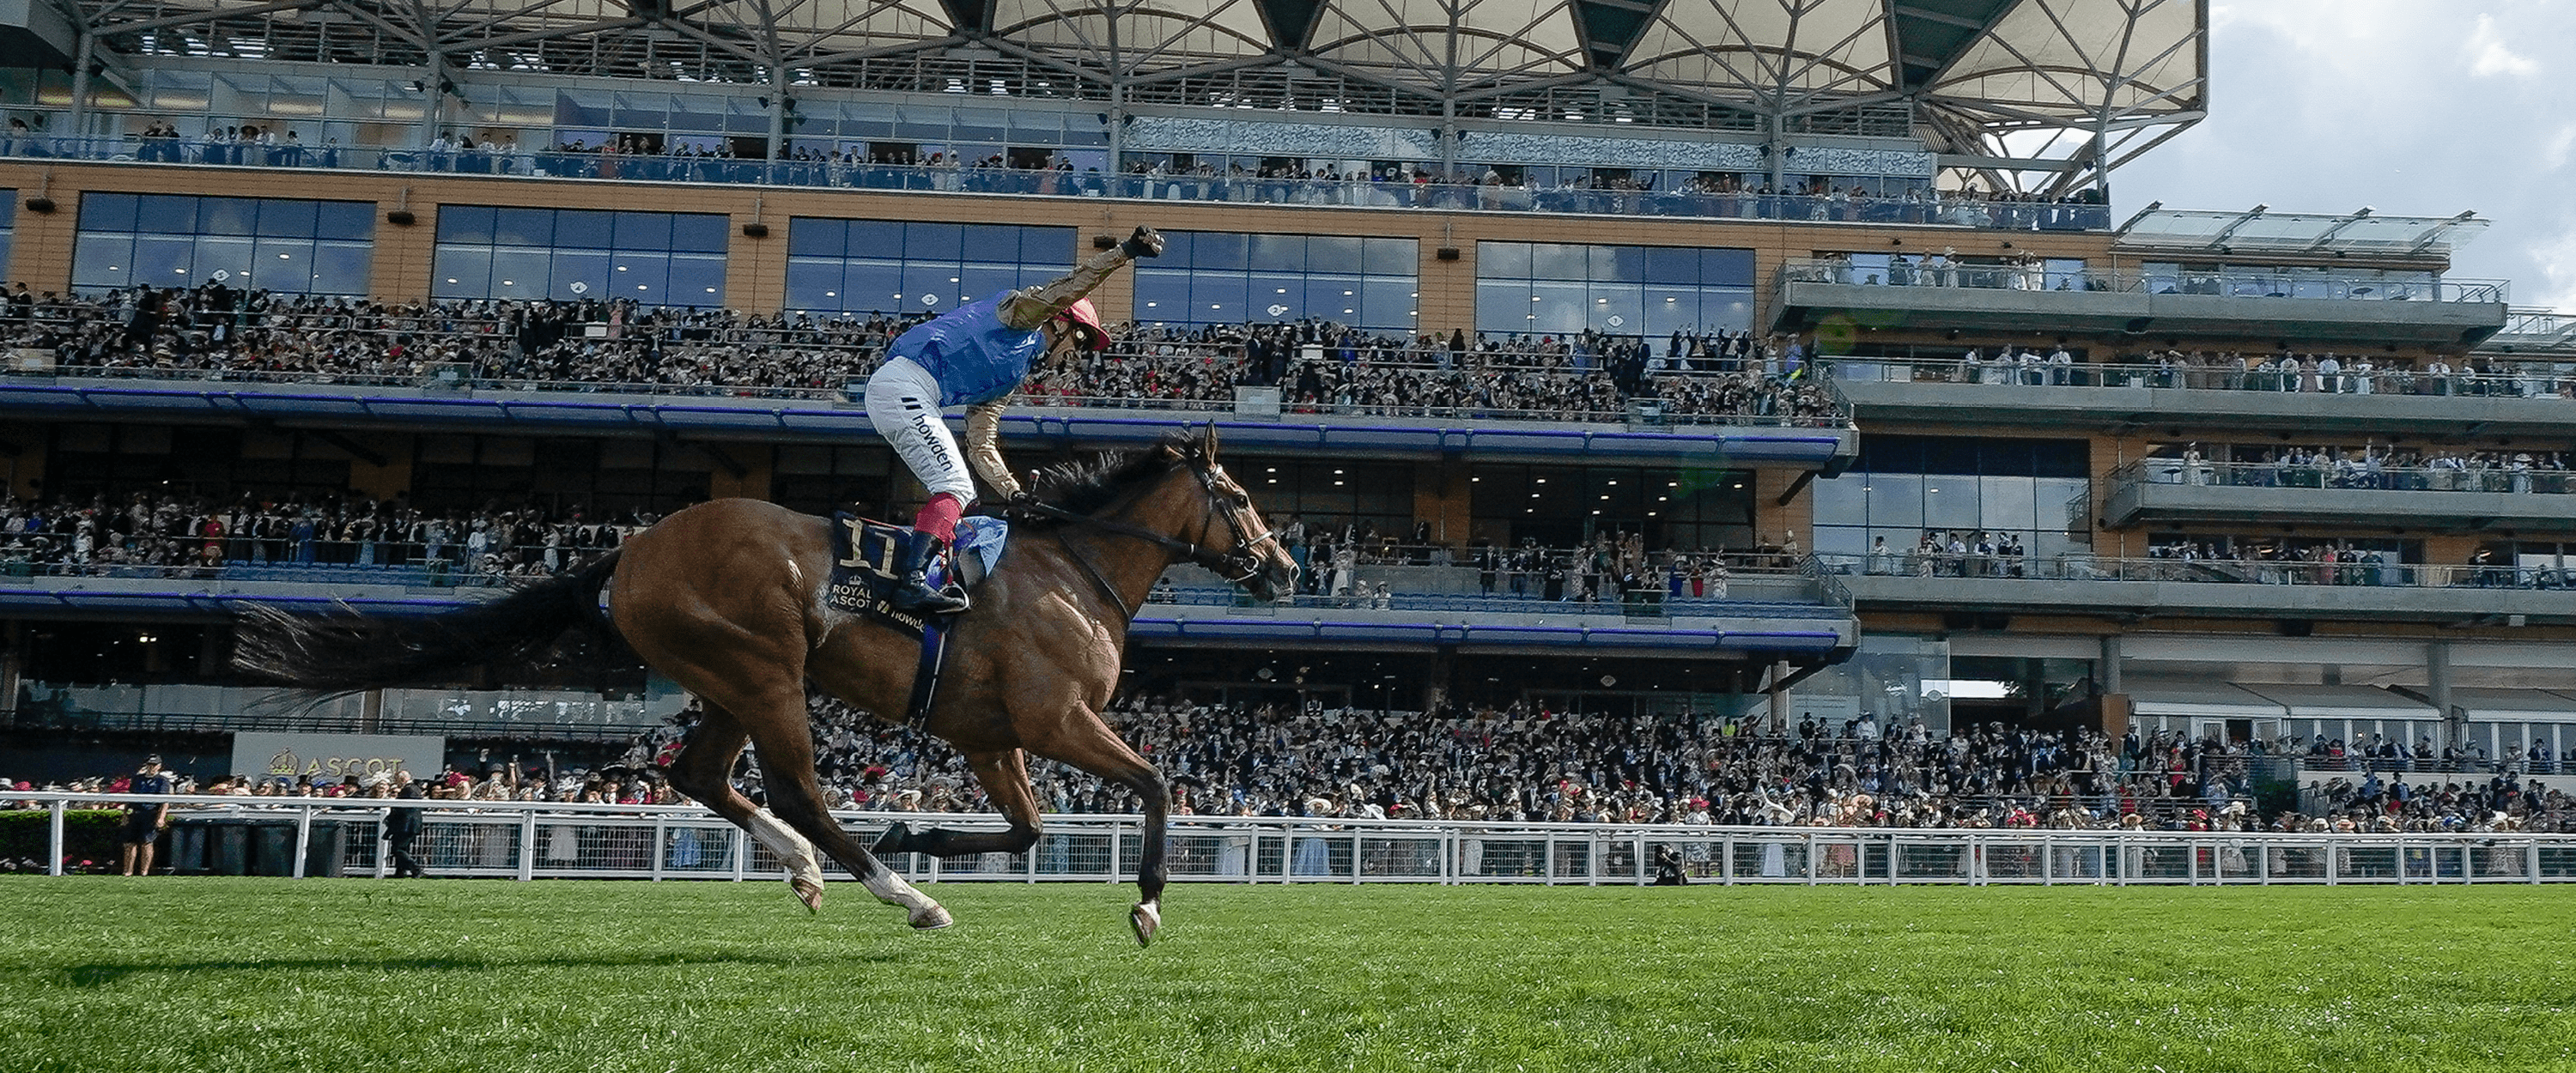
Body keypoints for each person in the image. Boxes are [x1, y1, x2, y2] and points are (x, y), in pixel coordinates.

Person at [863, 224, 1166, 613]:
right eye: (1081, 340)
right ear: (1060, 322)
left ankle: (931, 575)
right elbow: (1072, 285)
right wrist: (1124, 252)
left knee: (960, 493)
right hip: (904, 386)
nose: (1079, 353)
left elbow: (982, 443)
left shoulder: (1012, 374)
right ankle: (911, 583)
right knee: (956, 488)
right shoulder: (1019, 315)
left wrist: (1013, 492)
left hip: (909, 394)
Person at [119, 755, 173, 876]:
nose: (151, 767)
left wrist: (161, 817)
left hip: (150, 814)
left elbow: (165, 801)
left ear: (159, 766)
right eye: (149, 764)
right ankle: (127, 871)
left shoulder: (162, 781)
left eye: (154, 765)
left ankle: (144, 872)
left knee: (146, 843)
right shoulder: (137, 779)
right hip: (135, 813)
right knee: (129, 843)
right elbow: (129, 798)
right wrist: (125, 815)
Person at [382, 779, 427, 878]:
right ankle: (400, 872)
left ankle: (416, 868)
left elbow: (402, 808)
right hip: (411, 825)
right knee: (403, 848)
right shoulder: (414, 789)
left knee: (397, 849)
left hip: (405, 825)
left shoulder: (409, 789)